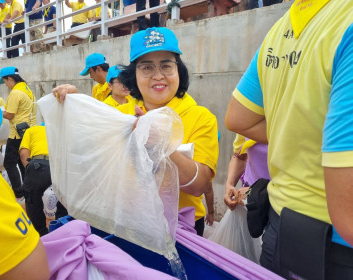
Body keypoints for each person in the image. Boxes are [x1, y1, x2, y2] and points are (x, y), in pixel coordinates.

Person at [225, 0, 353, 278]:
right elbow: (348, 214)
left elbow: (238, 118)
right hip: (339, 251)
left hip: (280, 232)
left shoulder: (281, 28)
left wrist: (299, 132)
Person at [54, 27, 219, 236]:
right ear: (134, 75)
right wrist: (73, 104)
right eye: (147, 68)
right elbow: (83, 152)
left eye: (166, 66)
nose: (158, 76)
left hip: (180, 230)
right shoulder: (119, 115)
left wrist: (163, 145)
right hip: (126, 224)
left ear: (179, 70)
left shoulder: (201, 117)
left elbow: (199, 185)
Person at [0, 77, 50, 280]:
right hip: (48, 165)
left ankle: (22, 195)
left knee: (13, 169)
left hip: (27, 151)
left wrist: (30, 171)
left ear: (8, 80)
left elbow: (24, 155)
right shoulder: (28, 93)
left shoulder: (15, 94)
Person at [19, 124, 68, 236]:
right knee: (64, 201)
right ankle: (62, 231)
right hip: (61, 165)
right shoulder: (62, 128)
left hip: (39, 164)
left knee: (33, 202)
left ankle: (42, 234)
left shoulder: (32, 130)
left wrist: (31, 172)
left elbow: (23, 153)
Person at [0, 66, 36, 202]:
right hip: (27, 131)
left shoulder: (15, 93)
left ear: (10, 78)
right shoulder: (27, 89)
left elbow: (10, 114)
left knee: (9, 163)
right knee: (22, 162)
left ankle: (19, 193)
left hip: (16, 134)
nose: (6, 85)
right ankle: (27, 191)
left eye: (5, 82)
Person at [224, 134, 270, 211]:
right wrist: (229, 185)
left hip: (280, 205)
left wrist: (253, 191)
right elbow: (240, 157)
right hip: (249, 195)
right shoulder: (246, 123)